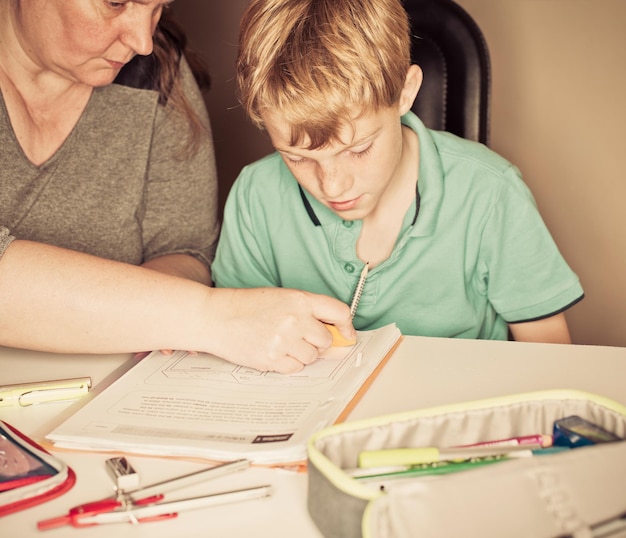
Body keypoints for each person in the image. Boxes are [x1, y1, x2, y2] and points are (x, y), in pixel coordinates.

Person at [0, 0, 354, 374]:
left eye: (158, 6)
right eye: (114, 3)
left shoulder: (158, 72)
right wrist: (213, 317)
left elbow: (183, 251)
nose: (142, 42)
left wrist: (148, 318)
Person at [212, 0, 584, 343]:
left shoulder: (490, 192)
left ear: (406, 92)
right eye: (297, 158)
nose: (333, 185)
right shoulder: (255, 196)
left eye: (358, 149)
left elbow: (550, 356)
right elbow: (238, 333)